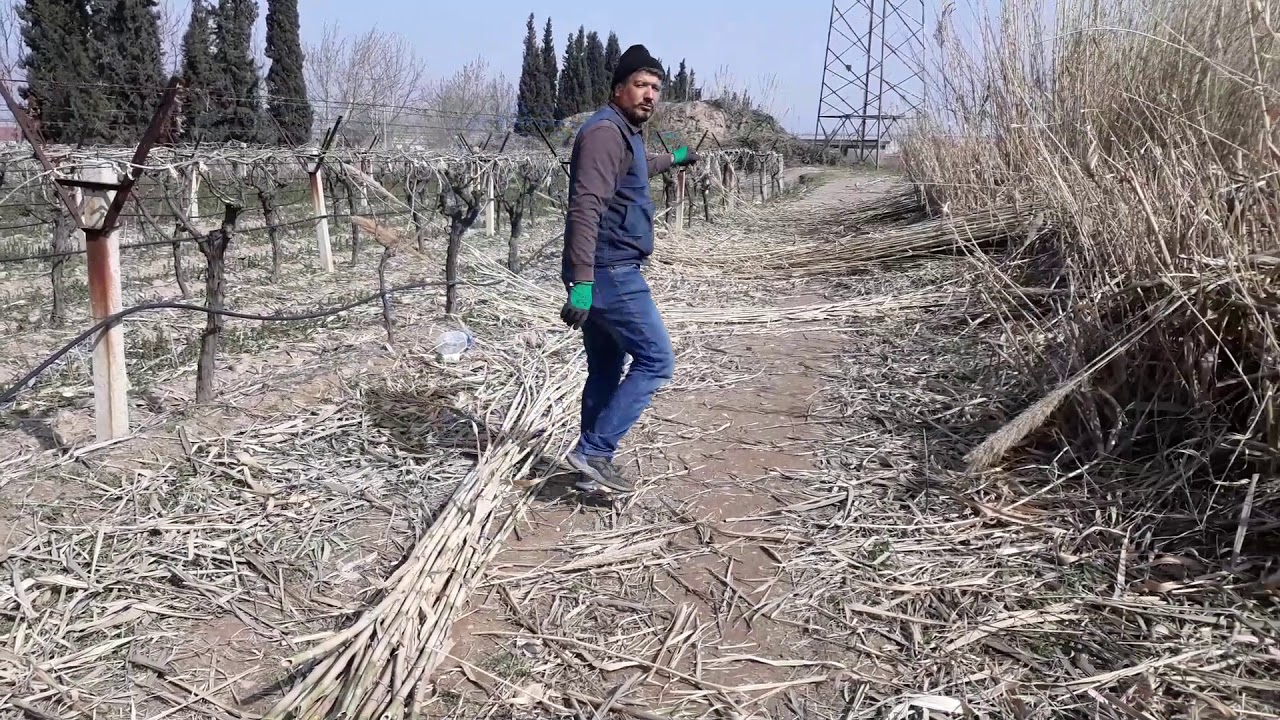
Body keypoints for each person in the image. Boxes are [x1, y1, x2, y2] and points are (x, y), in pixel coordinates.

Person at [558, 44, 700, 495]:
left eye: (656, 88)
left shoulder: (625, 133)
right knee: (656, 361)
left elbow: (633, 171)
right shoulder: (604, 132)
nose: (650, 95)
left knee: (605, 368)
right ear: (618, 89)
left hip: (606, 268)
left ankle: (589, 470)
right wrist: (581, 284)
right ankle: (595, 451)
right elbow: (585, 207)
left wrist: (673, 158)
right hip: (610, 270)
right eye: (641, 85)